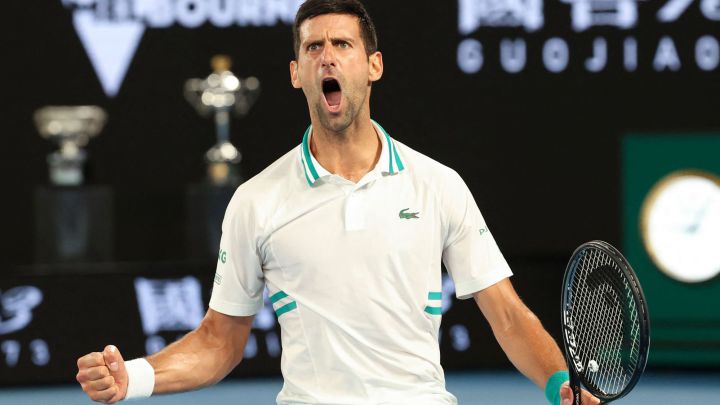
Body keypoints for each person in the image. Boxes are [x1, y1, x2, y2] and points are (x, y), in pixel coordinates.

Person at [76, 1, 600, 404]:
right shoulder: (255, 201)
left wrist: (558, 382)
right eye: (313, 47)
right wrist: (133, 377)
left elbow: (506, 315)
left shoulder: (438, 185)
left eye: (343, 44)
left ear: (373, 66)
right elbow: (219, 341)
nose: (327, 55)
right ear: (296, 73)